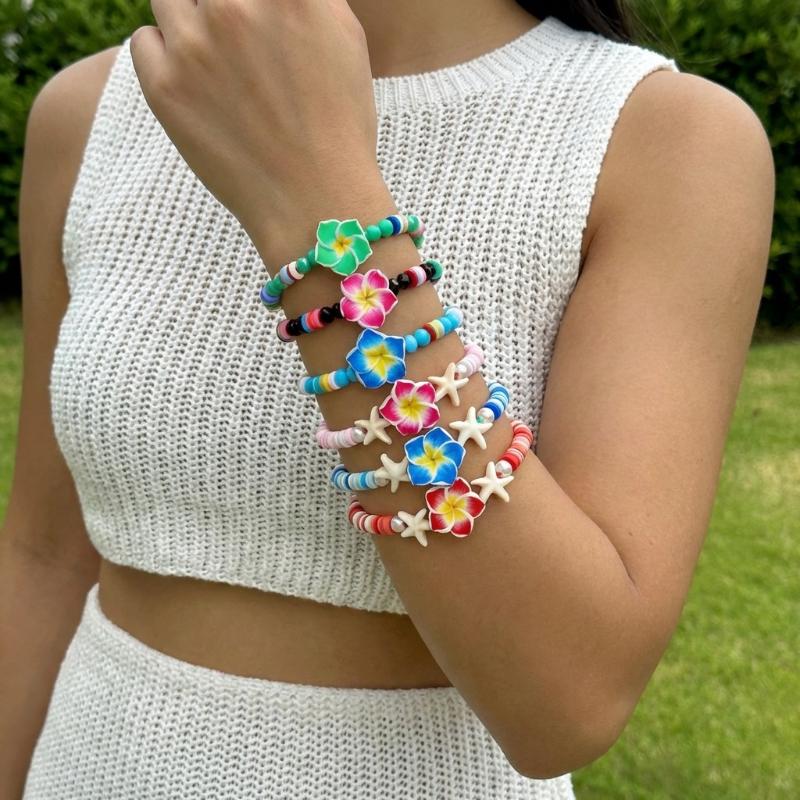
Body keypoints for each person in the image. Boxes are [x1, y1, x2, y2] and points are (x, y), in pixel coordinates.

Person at [2, 0, 774, 797]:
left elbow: (566, 702)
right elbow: (45, 557)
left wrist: (314, 191)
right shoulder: (89, 112)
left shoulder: (663, 140)